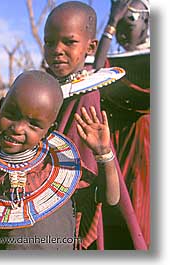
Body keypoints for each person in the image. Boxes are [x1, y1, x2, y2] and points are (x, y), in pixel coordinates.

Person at [0, 70, 120, 250]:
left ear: (48, 131)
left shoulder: (60, 169)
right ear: (0, 106)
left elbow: (110, 199)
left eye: (34, 124)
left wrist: (104, 154)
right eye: (11, 114)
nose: (18, 128)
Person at [43, 1, 147, 249]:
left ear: (90, 47)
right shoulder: (49, 85)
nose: (57, 50)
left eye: (68, 42)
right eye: (49, 42)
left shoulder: (88, 90)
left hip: (72, 197)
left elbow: (85, 174)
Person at [94, 0, 150, 247]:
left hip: (143, 143)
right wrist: (111, 23)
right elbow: (95, 74)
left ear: (148, 21)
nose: (122, 31)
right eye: (117, 23)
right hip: (115, 141)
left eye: (129, 20)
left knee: (140, 203)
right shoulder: (114, 61)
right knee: (116, 202)